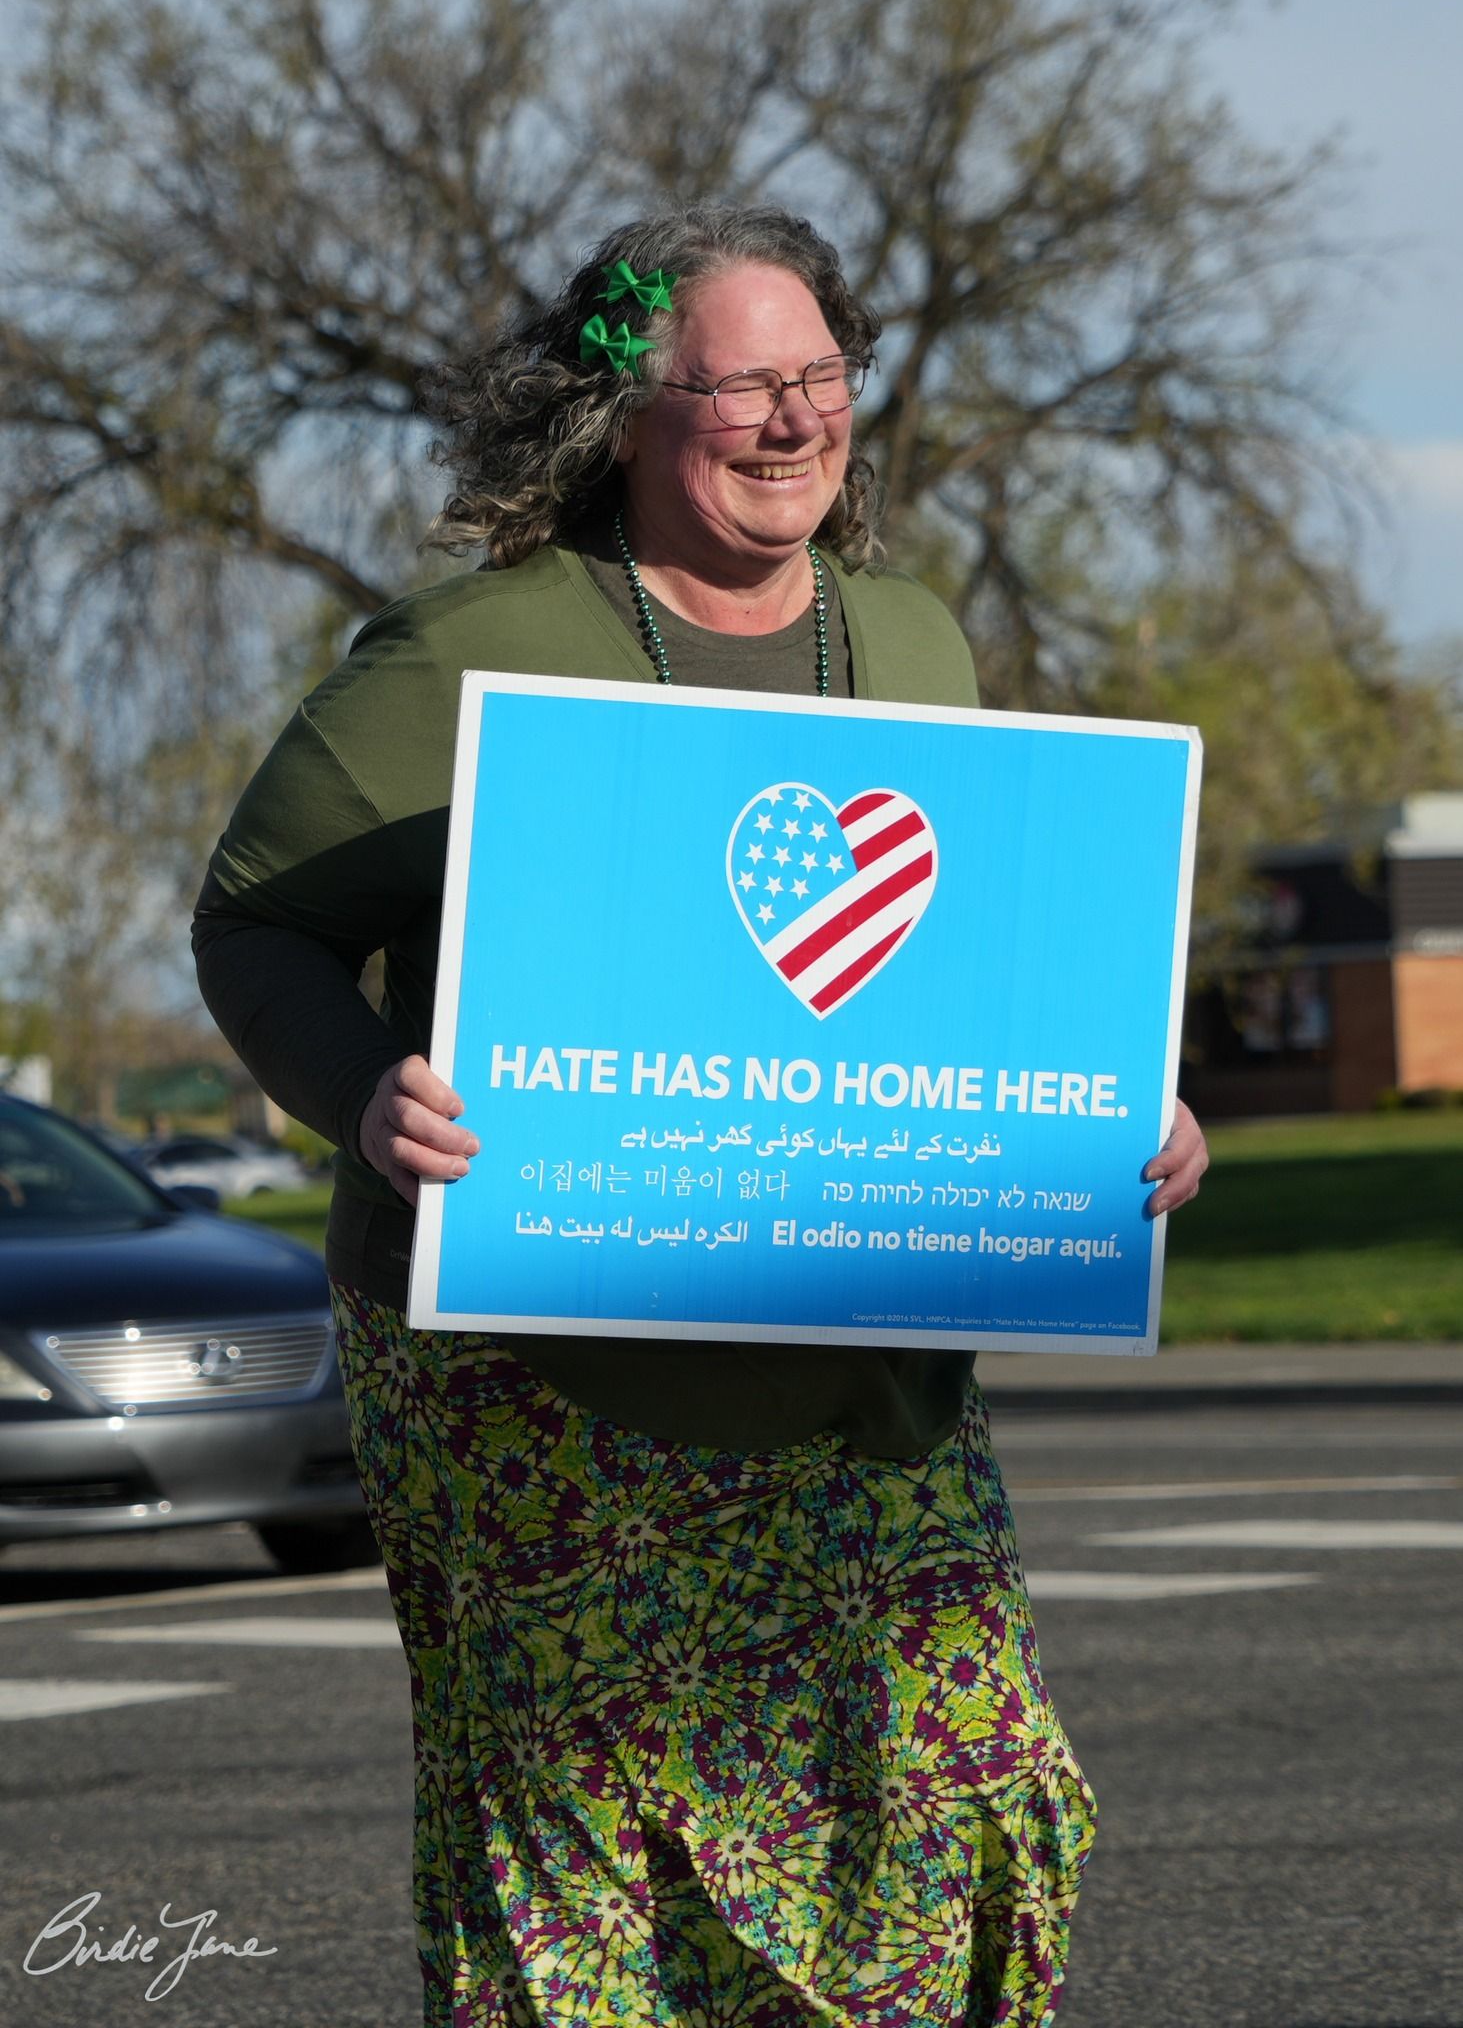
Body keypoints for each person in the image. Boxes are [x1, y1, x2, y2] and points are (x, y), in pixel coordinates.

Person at [194, 201, 1207, 2028]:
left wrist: (1125, 1115)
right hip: (543, 1380)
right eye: (742, 385)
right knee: (609, 1875)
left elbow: (969, 984)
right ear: (623, 413)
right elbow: (254, 921)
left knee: (962, 1794)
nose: (795, 418)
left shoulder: (915, 640)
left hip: (864, 1365)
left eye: (823, 374)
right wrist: (360, 1097)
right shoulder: (469, 650)